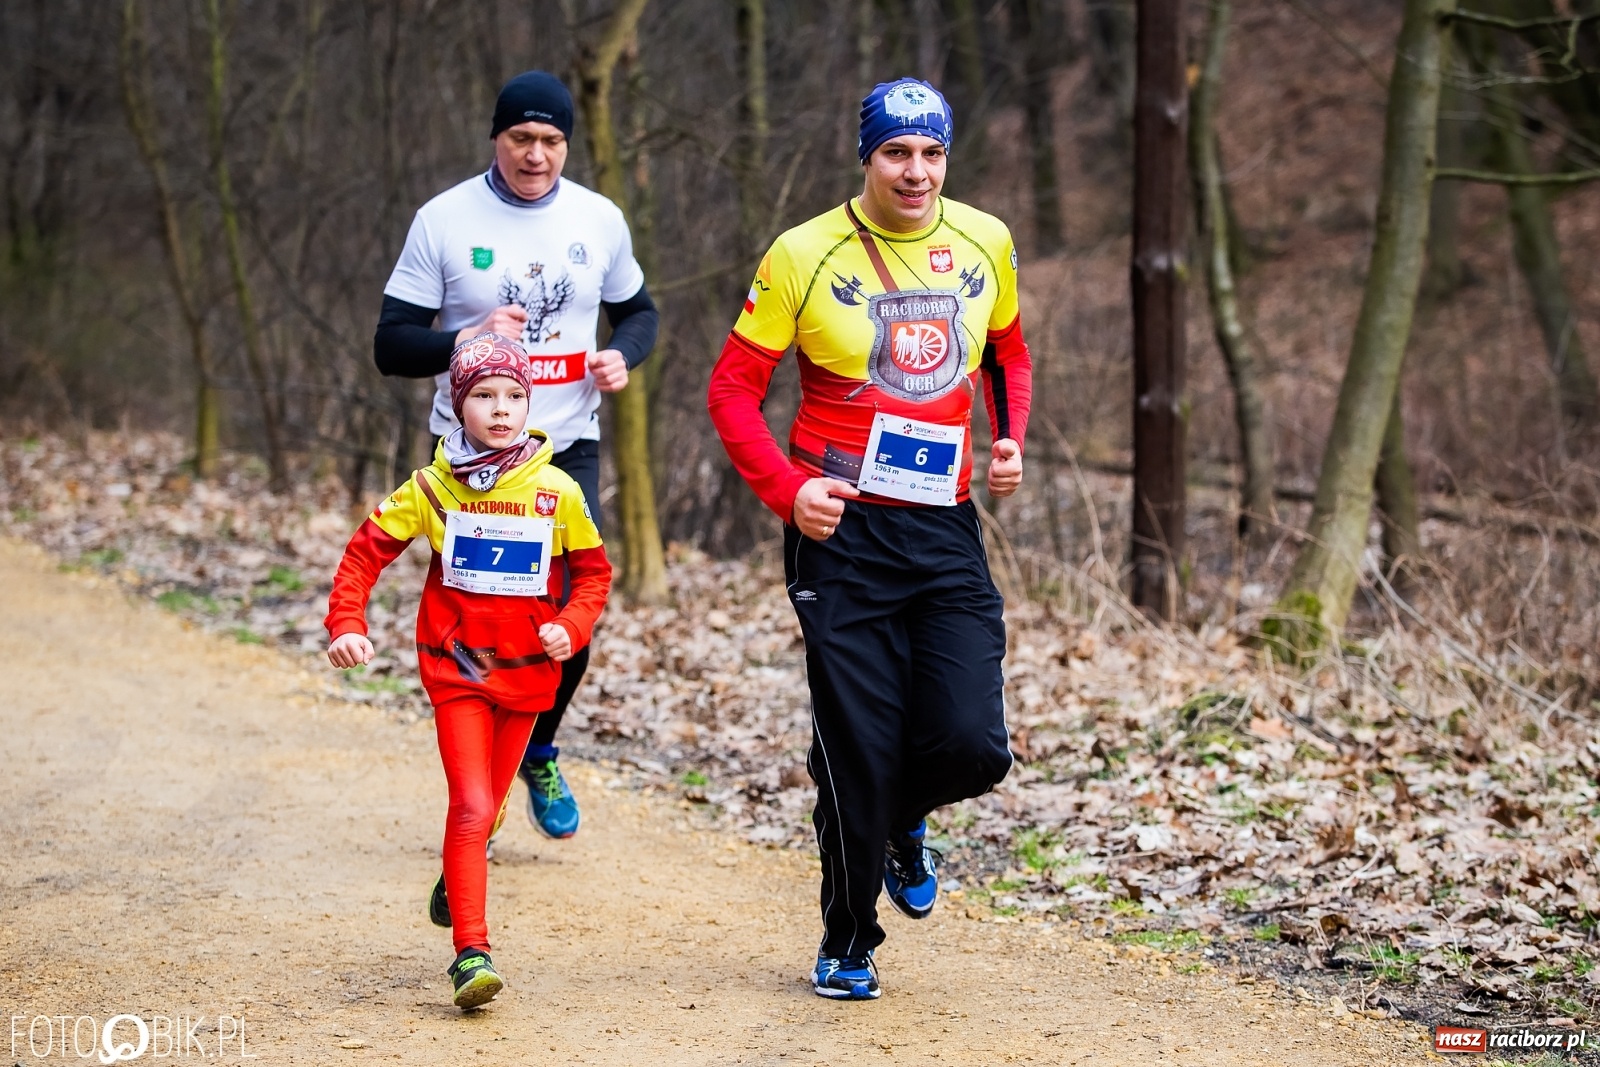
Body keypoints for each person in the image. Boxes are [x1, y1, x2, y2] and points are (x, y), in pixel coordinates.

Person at [706, 78, 1033, 1000]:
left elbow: (1007, 351)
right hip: (839, 530)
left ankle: (900, 821)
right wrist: (789, 488)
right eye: (897, 152)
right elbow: (732, 391)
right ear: (868, 157)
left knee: (974, 742)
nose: (916, 171)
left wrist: (1007, 441)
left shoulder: (985, 239)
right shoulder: (803, 253)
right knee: (856, 745)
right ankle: (849, 939)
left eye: (931, 152)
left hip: (944, 526)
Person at [373, 69, 657, 840]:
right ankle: (481, 787)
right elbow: (390, 343)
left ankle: (534, 747)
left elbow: (638, 310)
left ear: (569, 143)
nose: (536, 155)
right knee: (485, 616)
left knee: (572, 621)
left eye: (552, 141)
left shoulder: (600, 218)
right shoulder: (443, 218)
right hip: (468, 457)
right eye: (521, 139)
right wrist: (462, 339)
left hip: (567, 446)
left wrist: (622, 354)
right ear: (496, 137)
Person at [326, 333, 611, 1010]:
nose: (502, 408)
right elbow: (363, 555)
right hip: (455, 667)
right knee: (473, 804)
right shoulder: (430, 487)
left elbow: (594, 576)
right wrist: (346, 624)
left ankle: (461, 873)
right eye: (484, 395)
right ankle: (471, 952)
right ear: (459, 405)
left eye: (515, 395)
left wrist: (569, 627)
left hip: (529, 674)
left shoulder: (557, 490)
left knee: (490, 810)